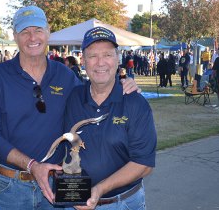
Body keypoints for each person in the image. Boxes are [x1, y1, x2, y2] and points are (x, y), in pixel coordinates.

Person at [0, 6, 139, 210]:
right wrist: (31, 166)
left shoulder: (65, 76)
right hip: (11, 187)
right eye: (25, 32)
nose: (32, 37)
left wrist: (122, 86)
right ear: (15, 36)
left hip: (55, 185)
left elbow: (94, 101)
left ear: (48, 32)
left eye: (37, 30)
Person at [63, 27, 156, 210]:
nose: (100, 63)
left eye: (107, 55)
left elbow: (144, 164)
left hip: (123, 203)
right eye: (92, 56)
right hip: (75, 201)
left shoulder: (135, 104)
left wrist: (99, 189)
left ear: (117, 58)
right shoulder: (73, 97)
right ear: (83, 61)